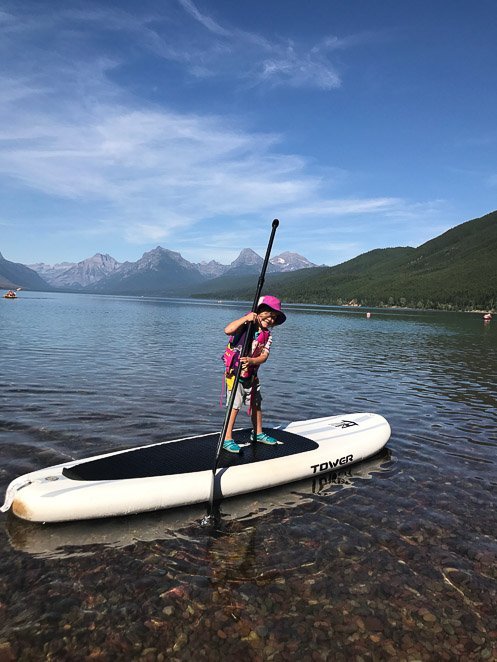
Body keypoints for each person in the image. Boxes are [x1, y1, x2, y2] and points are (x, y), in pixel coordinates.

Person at [222, 295, 286, 453]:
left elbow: (264, 356)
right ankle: (227, 438)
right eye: (270, 315)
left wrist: (252, 361)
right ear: (260, 311)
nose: (271, 320)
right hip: (235, 374)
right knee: (234, 406)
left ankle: (257, 433)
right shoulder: (246, 325)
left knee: (256, 404)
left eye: (275, 318)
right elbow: (227, 330)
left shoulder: (267, 335)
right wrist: (245, 319)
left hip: (251, 376)